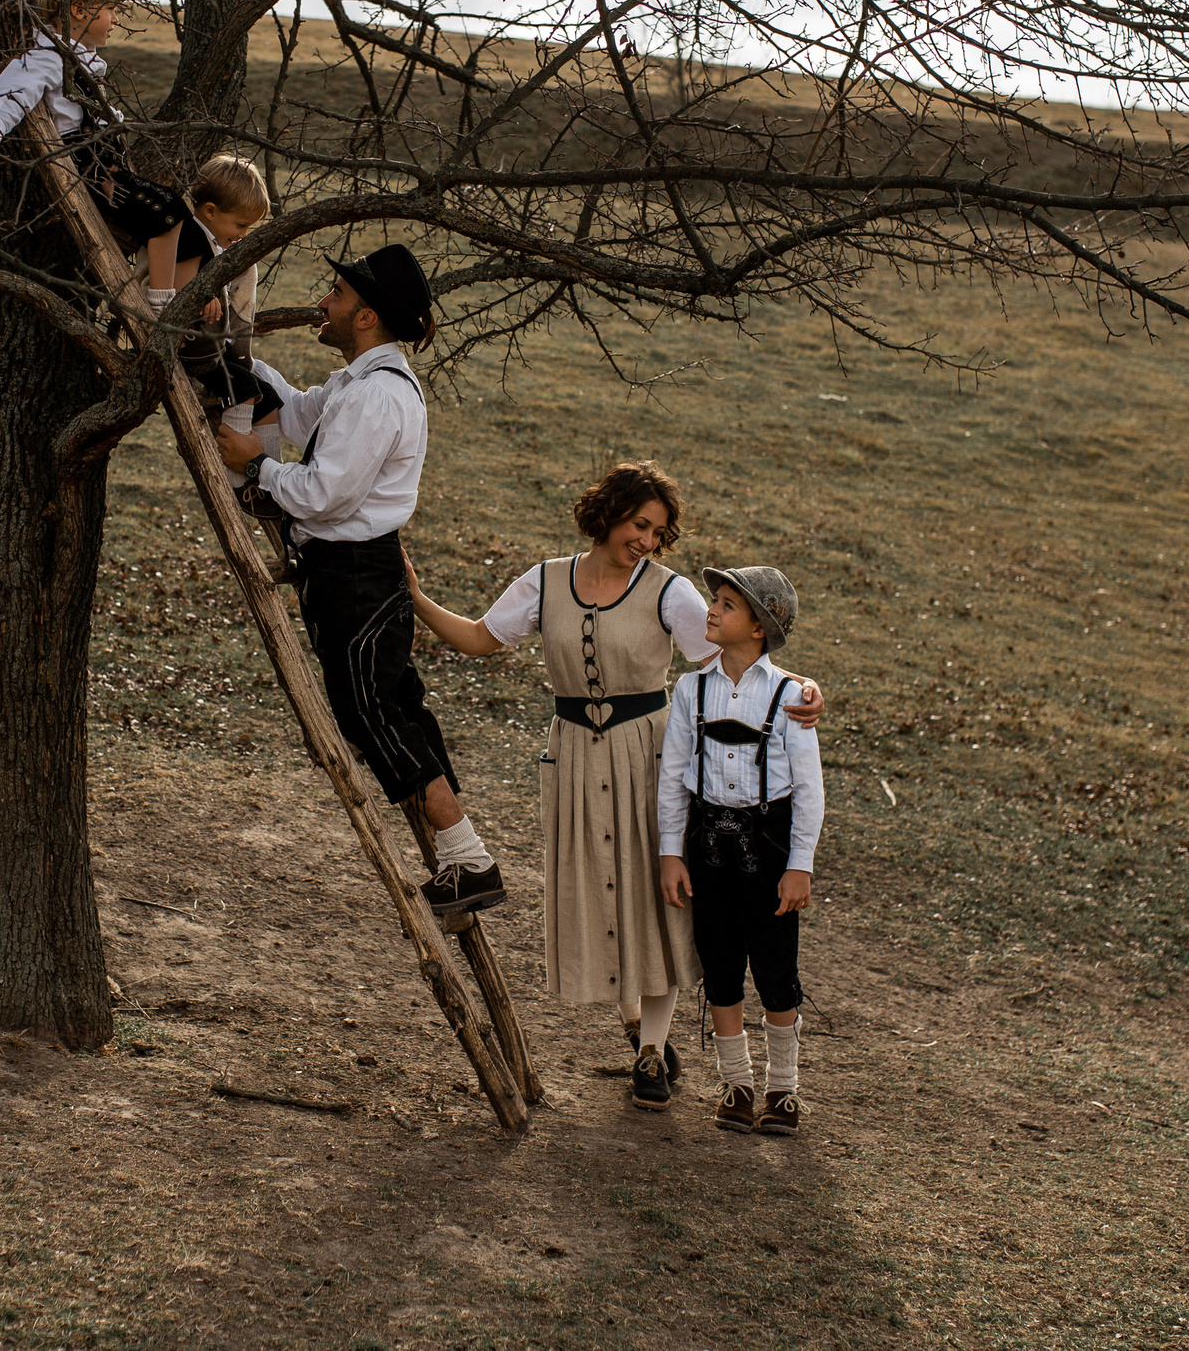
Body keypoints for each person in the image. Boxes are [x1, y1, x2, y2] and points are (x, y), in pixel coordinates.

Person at [405, 465, 822, 1112]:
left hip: (648, 754)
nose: (647, 541)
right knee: (597, 892)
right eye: (639, 524)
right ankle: (635, 1018)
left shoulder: (670, 591)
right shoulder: (546, 580)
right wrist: (414, 596)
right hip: (573, 754)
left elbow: (736, 656)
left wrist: (802, 688)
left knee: (655, 903)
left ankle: (651, 1049)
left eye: (658, 532)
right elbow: (480, 638)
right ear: (607, 513)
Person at [214, 244, 507, 918]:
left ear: (368, 315)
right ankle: (463, 855)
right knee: (393, 704)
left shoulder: (377, 394)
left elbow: (325, 494)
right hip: (352, 570)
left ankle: (469, 859)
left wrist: (257, 465)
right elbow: (297, 413)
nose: (324, 303)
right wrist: (239, 359)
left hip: (355, 574)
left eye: (338, 295)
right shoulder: (358, 384)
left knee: (368, 710)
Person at [657, 566, 823, 1137]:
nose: (712, 609)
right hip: (706, 845)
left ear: (759, 627)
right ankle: (736, 1084)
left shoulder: (791, 696)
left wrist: (799, 865)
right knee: (720, 963)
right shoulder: (690, 689)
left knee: (775, 969)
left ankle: (784, 1088)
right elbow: (673, 777)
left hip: (770, 847)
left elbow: (809, 790)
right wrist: (670, 852)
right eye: (715, 600)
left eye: (727, 604)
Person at [0, 0, 182, 247]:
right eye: (111, 9)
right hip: (88, 167)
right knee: (168, 213)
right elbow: (14, 90)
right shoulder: (47, 57)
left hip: (105, 164)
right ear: (78, 10)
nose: (116, 19)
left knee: (183, 227)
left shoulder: (81, 58)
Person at [145, 155, 282, 486]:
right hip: (192, 352)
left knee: (269, 398)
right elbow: (175, 294)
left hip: (211, 350)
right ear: (210, 211)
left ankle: (269, 479)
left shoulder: (215, 244)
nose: (243, 234)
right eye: (240, 225)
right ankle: (239, 476)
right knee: (244, 389)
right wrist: (201, 295)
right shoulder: (191, 236)